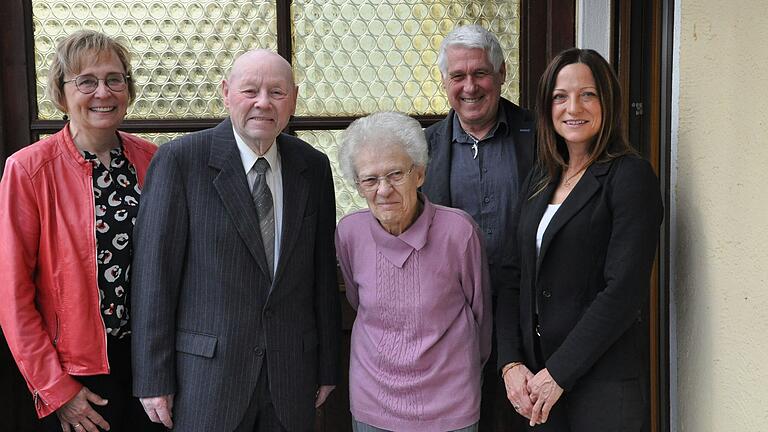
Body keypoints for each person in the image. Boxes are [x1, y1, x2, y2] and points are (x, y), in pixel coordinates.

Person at [130, 49, 341, 432]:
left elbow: (322, 273)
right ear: (226, 93)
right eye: (250, 91)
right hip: (207, 379)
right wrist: (153, 379)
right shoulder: (180, 161)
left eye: (277, 93)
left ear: (293, 99)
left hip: (292, 376)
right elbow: (153, 277)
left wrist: (327, 365)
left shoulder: (313, 165)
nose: (263, 102)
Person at [0, 30, 161, 431]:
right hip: (78, 373)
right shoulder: (28, 170)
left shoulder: (155, 160)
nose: (102, 92)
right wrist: (56, 388)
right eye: (86, 81)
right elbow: (12, 296)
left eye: (114, 79)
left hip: (152, 366)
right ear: (61, 93)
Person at [496, 48, 664, 431]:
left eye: (587, 94)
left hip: (601, 386)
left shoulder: (630, 177)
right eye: (560, 96)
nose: (573, 107)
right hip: (537, 385)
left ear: (608, 101)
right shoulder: (541, 177)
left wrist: (558, 373)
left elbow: (623, 291)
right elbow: (511, 276)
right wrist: (511, 363)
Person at [335, 111, 492, 432]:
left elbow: (481, 316)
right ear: (358, 185)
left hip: (450, 403)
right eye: (370, 179)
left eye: (396, 174)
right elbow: (357, 301)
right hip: (373, 402)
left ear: (419, 174)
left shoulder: (458, 232)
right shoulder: (349, 233)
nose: (383, 189)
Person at [421, 24, 536, 430]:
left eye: (480, 73)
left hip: (529, 318)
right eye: (458, 76)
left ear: (502, 73)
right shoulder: (422, 147)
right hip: (451, 325)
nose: (469, 86)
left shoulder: (540, 136)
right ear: (445, 81)